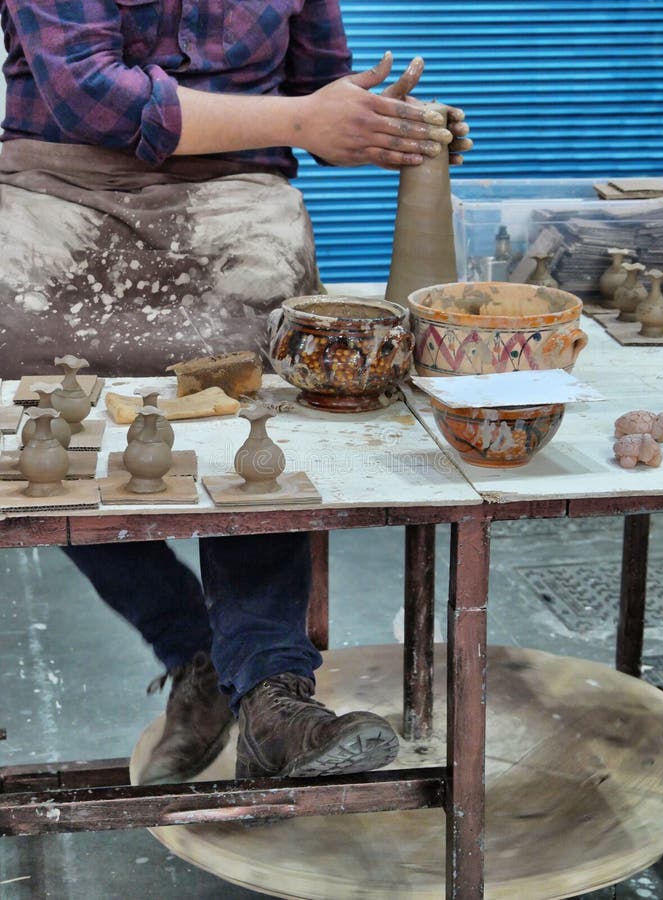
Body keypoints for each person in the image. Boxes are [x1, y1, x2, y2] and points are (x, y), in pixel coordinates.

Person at [0, 0, 472, 784]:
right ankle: (193, 653)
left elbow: (320, 92)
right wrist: (303, 118)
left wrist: (382, 126)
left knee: (266, 392)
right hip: (59, 189)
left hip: (233, 193)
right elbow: (94, 94)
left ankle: (270, 693)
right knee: (43, 426)